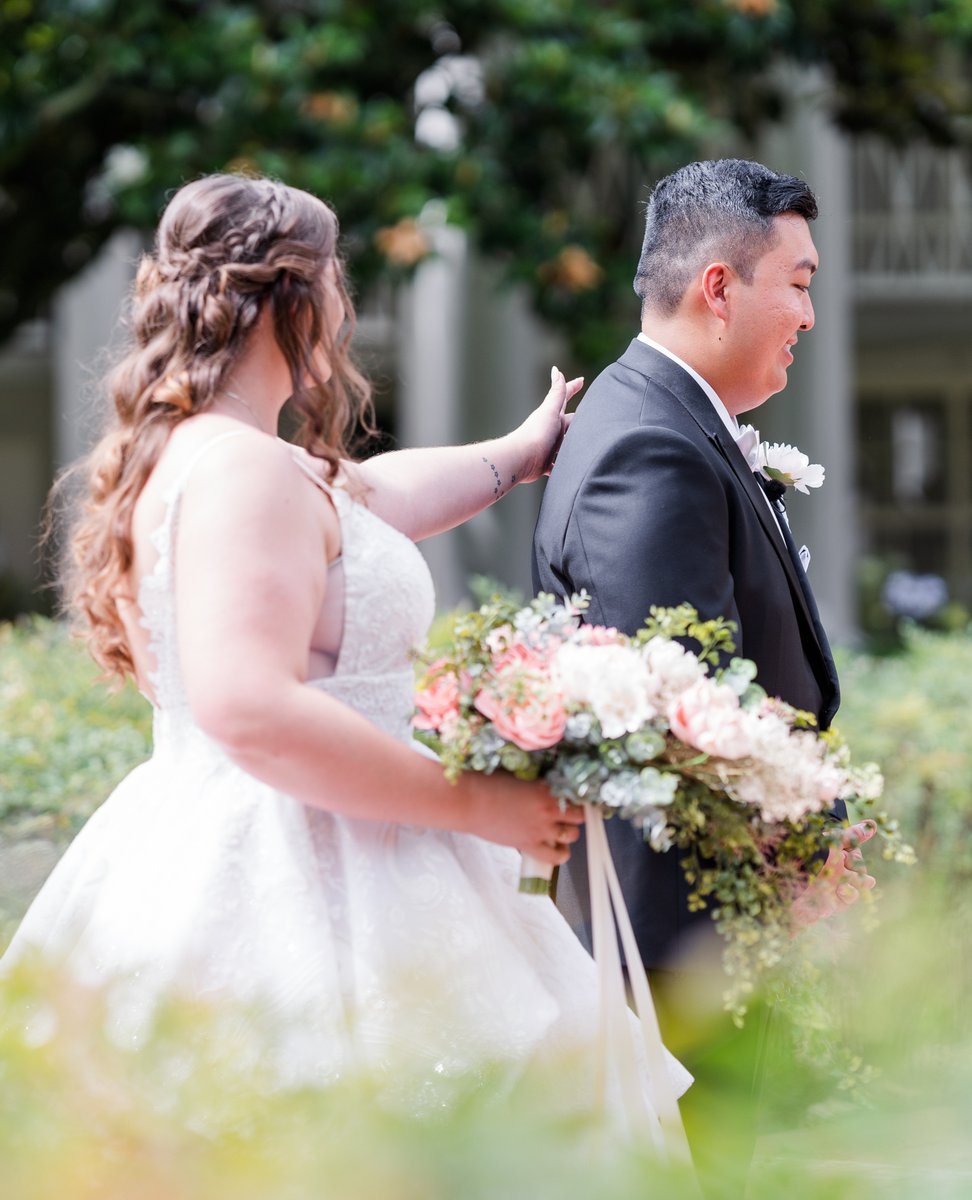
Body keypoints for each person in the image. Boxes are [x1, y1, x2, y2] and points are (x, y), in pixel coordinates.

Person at [1, 173, 691, 1122]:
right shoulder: (242, 470)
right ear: (295, 295)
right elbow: (248, 708)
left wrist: (522, 453)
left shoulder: (242, 459)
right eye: (335, 282)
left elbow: (378, 496)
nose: (345, 309)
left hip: (279, 839)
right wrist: (478, 804)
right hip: (299, 872)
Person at [532, 158, 874, 1195]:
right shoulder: (651, 440)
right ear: (720, 285)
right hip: (676, 933)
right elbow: (681, 698)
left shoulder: (672, 417)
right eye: (801, 281)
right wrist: (812, 842)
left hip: (703, 916)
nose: (810, 312)